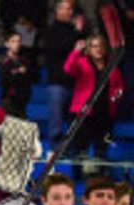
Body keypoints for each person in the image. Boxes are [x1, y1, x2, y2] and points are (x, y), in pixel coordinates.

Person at [65, 35, 125, 160]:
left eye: (101, 46)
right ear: (89, 49)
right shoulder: (82, 62)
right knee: (81, 148)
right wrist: (75, 51)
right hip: (83, 113)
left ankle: (99, 175)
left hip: (104, 113)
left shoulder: (112, 65)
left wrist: (116, 97)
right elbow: (68, 69)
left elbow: (119, 86)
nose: (98, 49)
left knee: (102, 148)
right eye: (94, 46)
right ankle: (79, 176)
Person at [42, 1, 83, 139]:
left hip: (75, 81)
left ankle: (72, 149)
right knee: (56, 122)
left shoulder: (75, 30)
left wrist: (79, 31)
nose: (70, 12)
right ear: (57, 11)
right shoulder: (50, 30)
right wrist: (76, 32)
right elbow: (57, 49)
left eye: (71, 9)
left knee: (74, 122)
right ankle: (54, 151)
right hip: (57, 81)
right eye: (66, 9)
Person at [0, 32, 37, 119]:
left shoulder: (24, 61)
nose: (17, 44)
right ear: (7, 44)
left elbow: (32, 78)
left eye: (18, 41)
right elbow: (4, 81)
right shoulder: (4, 63)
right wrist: (18, 73)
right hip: (10, 102)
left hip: (23, 100)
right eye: (13, 41)